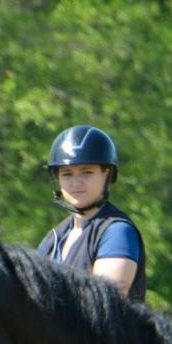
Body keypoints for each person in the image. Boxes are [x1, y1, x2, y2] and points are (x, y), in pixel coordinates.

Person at [36, 125, 146, 301]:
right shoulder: (54, 237)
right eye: (67, 174)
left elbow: (104, 306)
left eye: (86, 172)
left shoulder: (117, 232)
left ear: (106, 174)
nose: (75, 182)